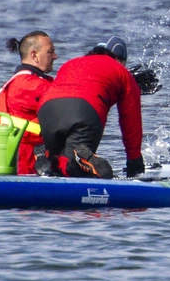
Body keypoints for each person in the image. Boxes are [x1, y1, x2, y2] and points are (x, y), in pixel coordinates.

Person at [36, 36, 160, 179]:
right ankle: (79, 162)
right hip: (82, 111)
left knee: (59, 164)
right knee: (77, 170)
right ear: (120, 60)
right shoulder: (122, 72)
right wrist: (135, 164)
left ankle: (46, 157)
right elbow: (131, 122)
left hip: (46, 110)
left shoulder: (72, 63)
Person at [0, 30, 58, 174]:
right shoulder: (30, 84)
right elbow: (67, 105)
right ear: (34, 55)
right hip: (28, 168)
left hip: (14, 163)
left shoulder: (14, 82)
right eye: (50, 52)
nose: (55, 56)